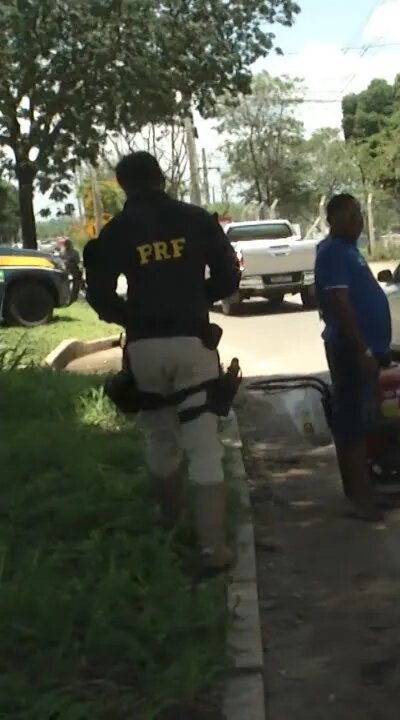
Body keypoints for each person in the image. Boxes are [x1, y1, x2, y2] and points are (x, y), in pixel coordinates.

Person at [83, 151, 240, 572]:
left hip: (144, 347)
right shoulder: (196, 219)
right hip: (193, 340)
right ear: (162, 178)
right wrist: (193, 301)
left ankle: (170, 532)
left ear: (122, 186)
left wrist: (131, 317)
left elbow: (98, 293)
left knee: (159, 439)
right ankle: (213, 549)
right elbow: (229, 276)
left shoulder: (116, 232)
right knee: (204, 444)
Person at [314, 193, 397, 522]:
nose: (357, 221)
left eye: (358, 214)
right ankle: (360, 498)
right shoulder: (334, 250)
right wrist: (362, 348)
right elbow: (340, 302)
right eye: (350, 216)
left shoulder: (347, 250)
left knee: (361, 421)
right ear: (332, 220)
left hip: (364, 347)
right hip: (352, 349)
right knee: (352, 425)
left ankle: (367, 490)